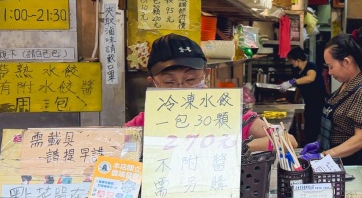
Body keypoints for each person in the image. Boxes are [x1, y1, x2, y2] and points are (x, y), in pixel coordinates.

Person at [126, 33, 294, 152]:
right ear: (153, 83)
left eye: (190, 79)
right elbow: (114, 146)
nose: (182, 89)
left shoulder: (228, 114)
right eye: (169, 82)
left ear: (206, 75)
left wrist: (234, 149)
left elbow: (287, 140)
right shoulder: (144, 123)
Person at [319, 32, 362, 166]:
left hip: (353, 165)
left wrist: (325, 155)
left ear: (346, 62)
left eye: (331, 67)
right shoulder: (346, 85)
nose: (330, 72)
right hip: (337, 162)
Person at [279, 47, 326, 145]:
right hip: (308, 103)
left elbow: (310, 78)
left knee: (314, 127)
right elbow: (299, 88)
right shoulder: (297, 71)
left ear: (297, 60)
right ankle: (309, 146)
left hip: (318, 103)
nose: (290, 62)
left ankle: (314, 150)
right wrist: (294, 101)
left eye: (291, 60)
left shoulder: (310, 66)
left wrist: (292, 82)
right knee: (308, 127)